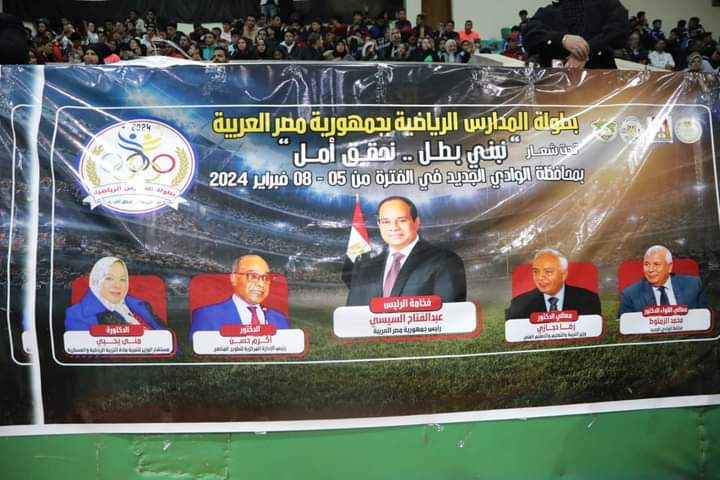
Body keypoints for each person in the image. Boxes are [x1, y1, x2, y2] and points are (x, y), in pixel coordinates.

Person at [346, 196, 466, 306]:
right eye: (386, 222)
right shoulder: (364, 265)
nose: (394, 228)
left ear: (416, 222)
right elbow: (353, 314)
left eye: (402, 220)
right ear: (379, 225)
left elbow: (449, 315)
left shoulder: (444, 261)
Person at [189, 255, 289, 336]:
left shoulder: (280, 319)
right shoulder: (207, 316)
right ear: (234, 278)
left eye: (266, 278)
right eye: (253, 276)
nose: (261, 284)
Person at [65, 257, 164, 331]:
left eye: (123, 279)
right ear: (96, 281)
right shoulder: (78, 315)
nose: (117, 285)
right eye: (109, 278)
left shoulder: (137, 305)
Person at [523, 0, 629, 68]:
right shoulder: (547, 12)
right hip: (555, 85)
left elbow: (620, 29)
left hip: (600, 83)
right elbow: (529, 36)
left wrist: (585, 52)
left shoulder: (606, 4)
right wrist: (562, 39)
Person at [506, 248, 601, 319]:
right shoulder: (519, 304)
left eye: (548, 272)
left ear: (563, 275)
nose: (540, 277)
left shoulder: (588, 299)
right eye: (536, 271)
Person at [619, 245, 707, 315]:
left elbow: (705, 319)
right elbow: (625, 327)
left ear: (669, 267)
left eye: (656, 264)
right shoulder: (630, 294)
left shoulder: (694, 285)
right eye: (647, 264)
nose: (650, 269)